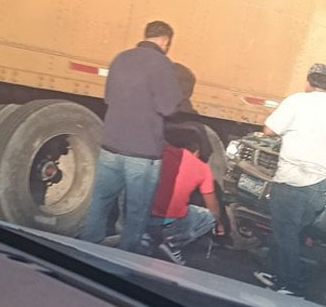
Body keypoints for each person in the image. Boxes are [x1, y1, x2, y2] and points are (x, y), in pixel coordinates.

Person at [253, 63, 326, 297]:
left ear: (308, 81)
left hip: (292, 178)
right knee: (294, 231)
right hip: (322, 183)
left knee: (285, 232)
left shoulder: (296, 101)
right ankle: (275, 273)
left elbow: (268, 130)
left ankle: (291, 285)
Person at [80, 21, 183, 254]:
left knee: (100, 203)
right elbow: (168, 107)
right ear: (166, 40)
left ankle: (86, 249)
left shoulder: (120, 58)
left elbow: (108, 98)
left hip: (111, 145)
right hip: (142, 150)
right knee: (136, 211)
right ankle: (125, 261)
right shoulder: (162, 65)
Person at [144, 124, 225, 264]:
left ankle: (146, 238)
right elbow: (212, 206)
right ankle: (173, 245)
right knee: (208, 216)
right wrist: (219, 225)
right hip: (172, 222)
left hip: (144, 215)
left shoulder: (163, 152)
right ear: (197, 151)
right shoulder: (203, 169)